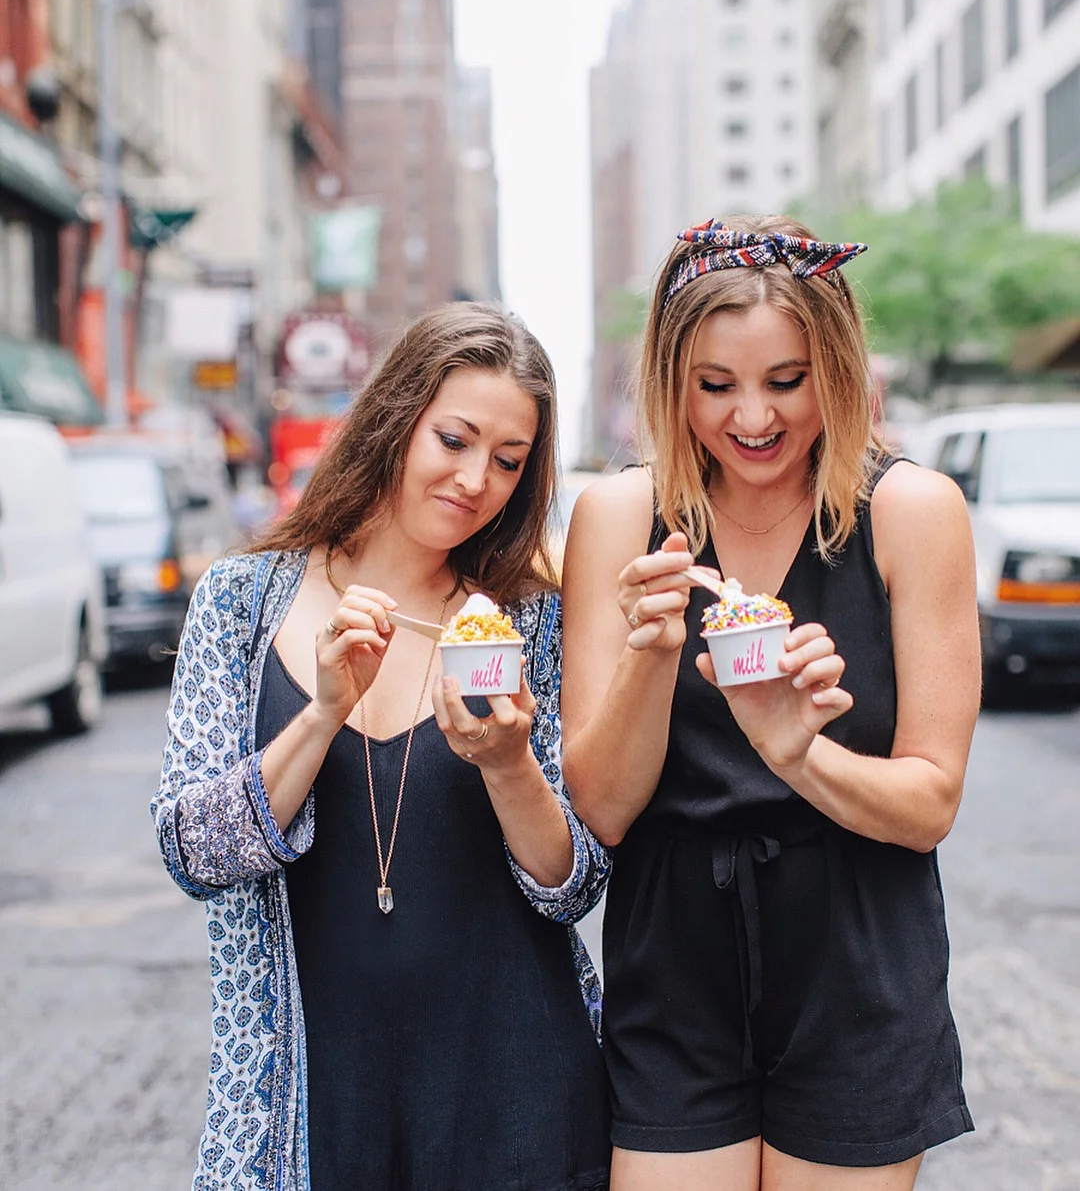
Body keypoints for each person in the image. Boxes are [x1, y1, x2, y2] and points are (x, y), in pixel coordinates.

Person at [560, 216, 981, 1191]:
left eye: (785, 380)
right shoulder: (621, 515)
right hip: (674, 958)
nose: (753, 417)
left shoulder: (911, 512)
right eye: (716, 385)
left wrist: (797, 751)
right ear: (672, 382)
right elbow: (605, 806)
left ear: (837, 369)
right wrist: (649, 654)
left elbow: (930, 804)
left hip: (857, 955)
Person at [152, 303, 611, 1191]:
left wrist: (510, 760)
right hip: (312, 1096)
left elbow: (575, 886)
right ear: (396, 417)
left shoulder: (527, 620)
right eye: (456, 438)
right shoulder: (242, 604)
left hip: (516, 1091)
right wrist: (322, 711)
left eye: (509, 461)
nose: (478, 477)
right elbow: (193, 854)